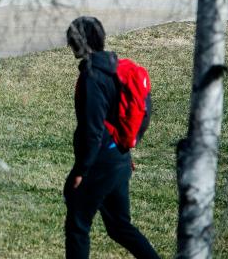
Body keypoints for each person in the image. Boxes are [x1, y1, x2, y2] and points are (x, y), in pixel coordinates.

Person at [63, 16, 161, 259]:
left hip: (101, 162)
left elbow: (92, 131)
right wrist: (123, 156)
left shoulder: (92, 77)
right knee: (119, 226)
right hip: (119, 158)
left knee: (77, 225)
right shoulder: (113, 67)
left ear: (79, 44)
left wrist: (79, 172)